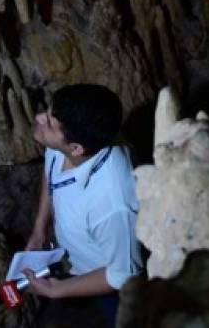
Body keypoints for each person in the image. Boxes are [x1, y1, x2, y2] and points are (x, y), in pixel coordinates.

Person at [22, 84, 143, 326]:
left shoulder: (113, 204)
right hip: (73, 261)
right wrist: (39, 229)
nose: (38, 118)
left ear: (76, 148)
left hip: (108, 287)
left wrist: (58, 290)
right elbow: (53, 169)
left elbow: (124, 275)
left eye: (49, 122)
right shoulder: (68, 144)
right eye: (47, 111)